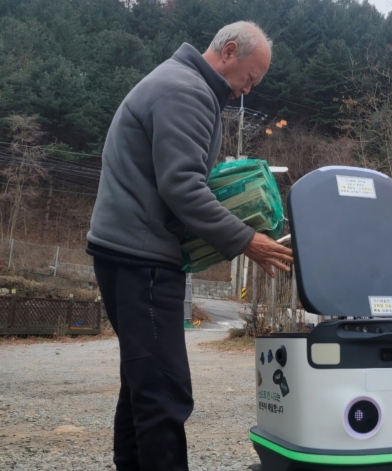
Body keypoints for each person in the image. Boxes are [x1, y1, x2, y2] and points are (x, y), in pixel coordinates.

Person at [86, 21, 293, 471]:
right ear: (229, 51)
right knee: (163, 391)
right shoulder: (187, 91)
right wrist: (246, 240)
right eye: (248, 80)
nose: (244, 92)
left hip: (125, 252)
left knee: (141, 384)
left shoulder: (176, 82)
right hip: (142, 259)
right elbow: (182, 186)